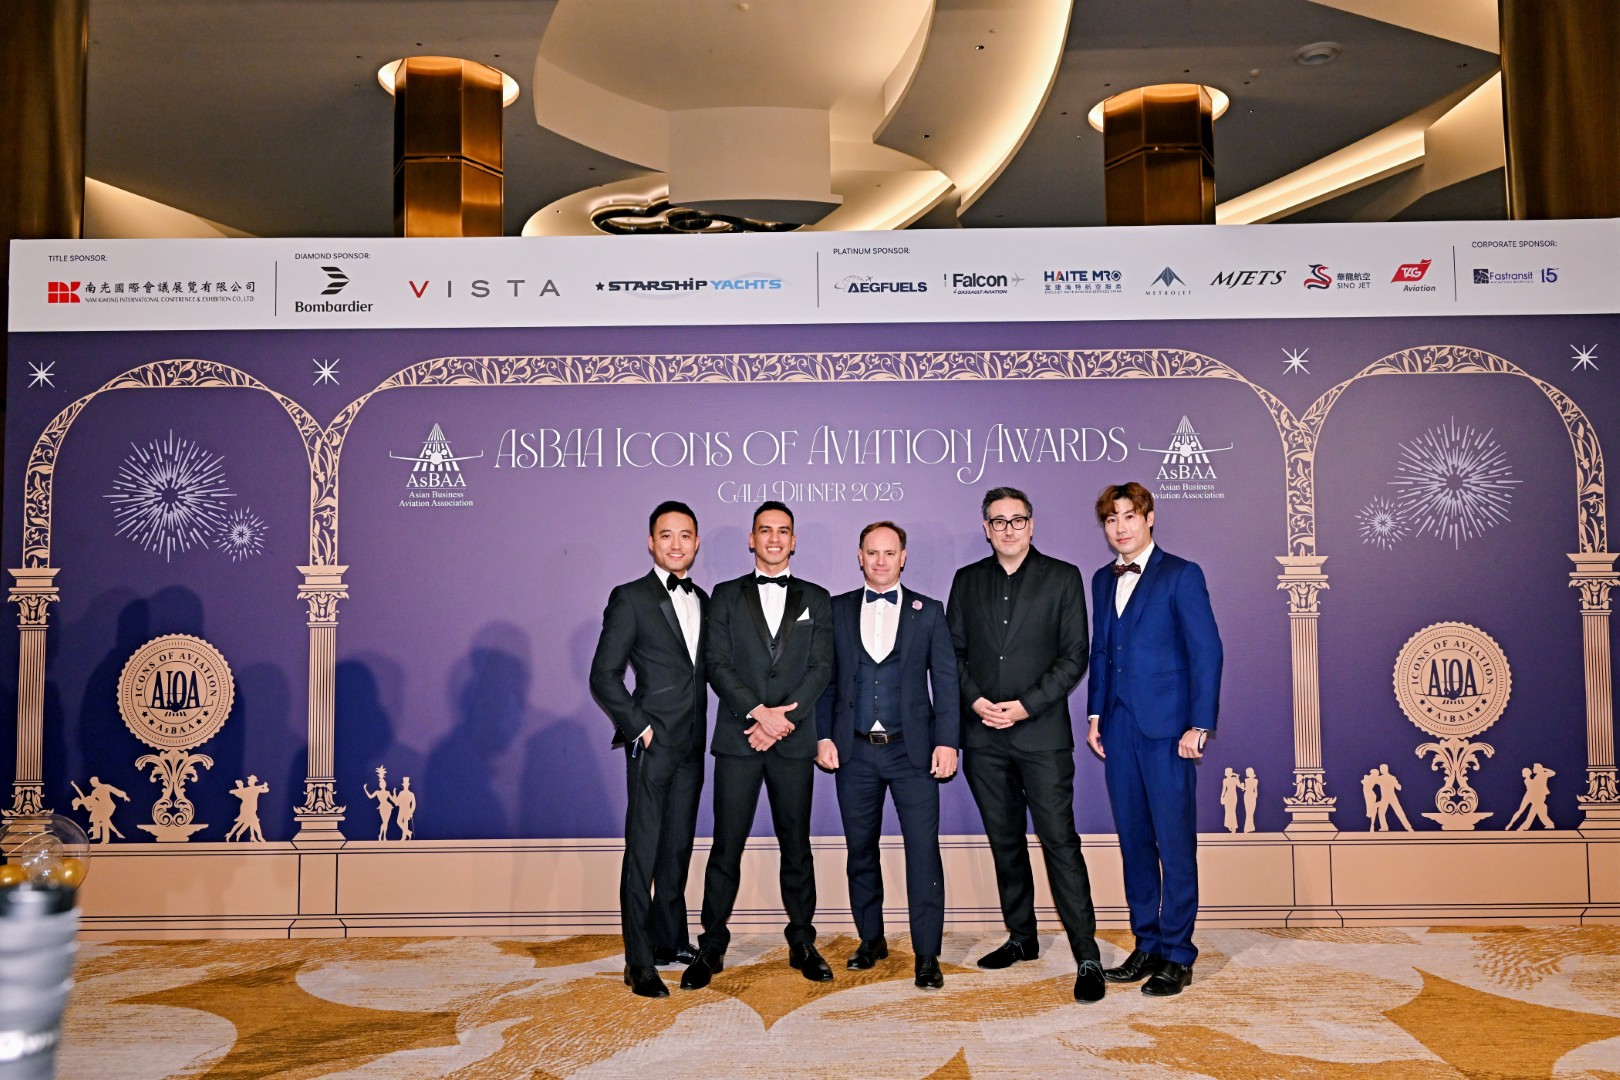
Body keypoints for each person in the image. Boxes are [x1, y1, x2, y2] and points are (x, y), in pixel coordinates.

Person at [947, 485, 1105, 1003]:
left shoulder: (1063, 577)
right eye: (998, 521)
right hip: (983, 737)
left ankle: (1087, 954)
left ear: (1031, 526)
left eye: (1017, 520)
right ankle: (1022, 937)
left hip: (1041, 736)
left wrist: (1025, 706)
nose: (1008, 529)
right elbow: (953, 654)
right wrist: (976, 702)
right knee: (1005, 841)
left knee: (1060, 842)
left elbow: (1074, 655)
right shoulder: (967, 580)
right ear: (986, 528)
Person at [683, 502, 834, 990]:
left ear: (793, 541)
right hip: (739, 740)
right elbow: (717, 664)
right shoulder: (725, 596)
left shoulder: (817, 598)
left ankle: (803, 941)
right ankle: (711, 944)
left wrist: (782, 720)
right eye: (765, 530)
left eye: (782, 531)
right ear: (751, 539)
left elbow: (822, 668)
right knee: (726, 846)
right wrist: (758, 712)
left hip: (792, 740)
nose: (773, 538)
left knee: (797, 846)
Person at [1087, 481, 1223, 998]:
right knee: (1135, 842)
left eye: (1129, 516)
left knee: (1175, 843)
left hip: (1168, 731)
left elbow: (1206, 652)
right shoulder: (1102, 579)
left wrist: (1198, 725)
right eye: (1111, 519)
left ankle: (1178, 954)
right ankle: (1146, 943)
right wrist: (1096, 714)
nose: (1120, 527)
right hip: (1119, 727)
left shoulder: (1182, 574)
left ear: (1149, 518)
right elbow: (1102, 651)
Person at [815, 521, 960, 990]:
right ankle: (871, 939)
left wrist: (948, 741)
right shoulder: (836, 609)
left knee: (923, 853)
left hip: (913, 753)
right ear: (860, 556)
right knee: (860, 850)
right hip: (854, 752)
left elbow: (947, 682)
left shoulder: (929, 611)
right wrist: (822, 736)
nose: (881, 561)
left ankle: (927, 954)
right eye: (872, 552)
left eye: (889, 552)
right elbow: (824, 681)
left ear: (903, 557)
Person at [589, 500, 710, 999]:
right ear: (651, 542)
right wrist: (640, 727)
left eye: (685, 535)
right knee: (642, 853)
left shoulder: (703, 598)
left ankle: (669, 940)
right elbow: (604, 675)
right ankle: (638, 961)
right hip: (652, 745)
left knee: (677, 848)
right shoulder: (631, 597)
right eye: (666, 535)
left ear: (696, 543)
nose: (676, 544)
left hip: (693, 745)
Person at [225, 775, 269, 842]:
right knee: (253, 822)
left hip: (251, 808)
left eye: (249, 780)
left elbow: (266, 790)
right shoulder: (249, 789)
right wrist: (240, 790)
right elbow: (231, 791)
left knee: (247, 822)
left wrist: (265, 786)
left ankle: (234, 834)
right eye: (249, 780)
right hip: (247, 808)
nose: (248, 781)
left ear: (252, 781)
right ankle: (258, 837)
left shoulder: (255, 789)